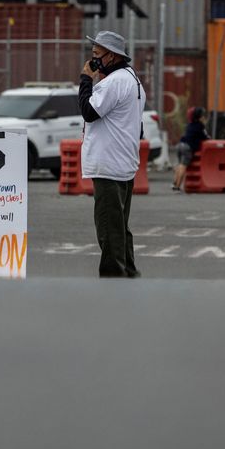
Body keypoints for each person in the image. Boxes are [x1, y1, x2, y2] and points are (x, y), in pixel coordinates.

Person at [78, 30, 146, 278]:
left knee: (108, 227)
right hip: (123, 163)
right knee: (119, 226)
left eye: (97, 55)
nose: (92, 60)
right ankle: (128, 271)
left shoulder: (114, 82)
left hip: (108, 165)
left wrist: (86, 80)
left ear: (112, 56)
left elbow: (89, 111)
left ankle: (113, 279)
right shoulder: (132, 79)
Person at [172, 106, 210, 192]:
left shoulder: (190, 125)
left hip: (180, 144)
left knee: (180, 164)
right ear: (199, 117)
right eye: (202, 116)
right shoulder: (200, 126)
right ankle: (177, 187)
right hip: (188, 147)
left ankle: (174, 182)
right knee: (183, 166)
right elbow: (206, 137)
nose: (204, 117)